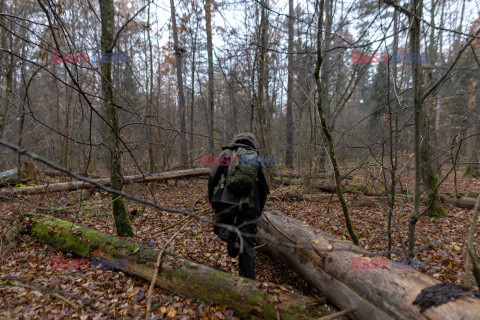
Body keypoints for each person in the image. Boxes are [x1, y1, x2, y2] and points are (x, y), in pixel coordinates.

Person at [208, 132, 269, 280]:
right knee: (247, 243)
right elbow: (264, 187)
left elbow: (213, 176)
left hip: (225, 202)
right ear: (253, 142)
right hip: (250, 205)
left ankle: (229, 235)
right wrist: (259, 209)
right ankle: (248, 282)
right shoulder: (256, 158)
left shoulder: (227, 153)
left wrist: (212, 200)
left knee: (219, 226)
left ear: (235, 140)